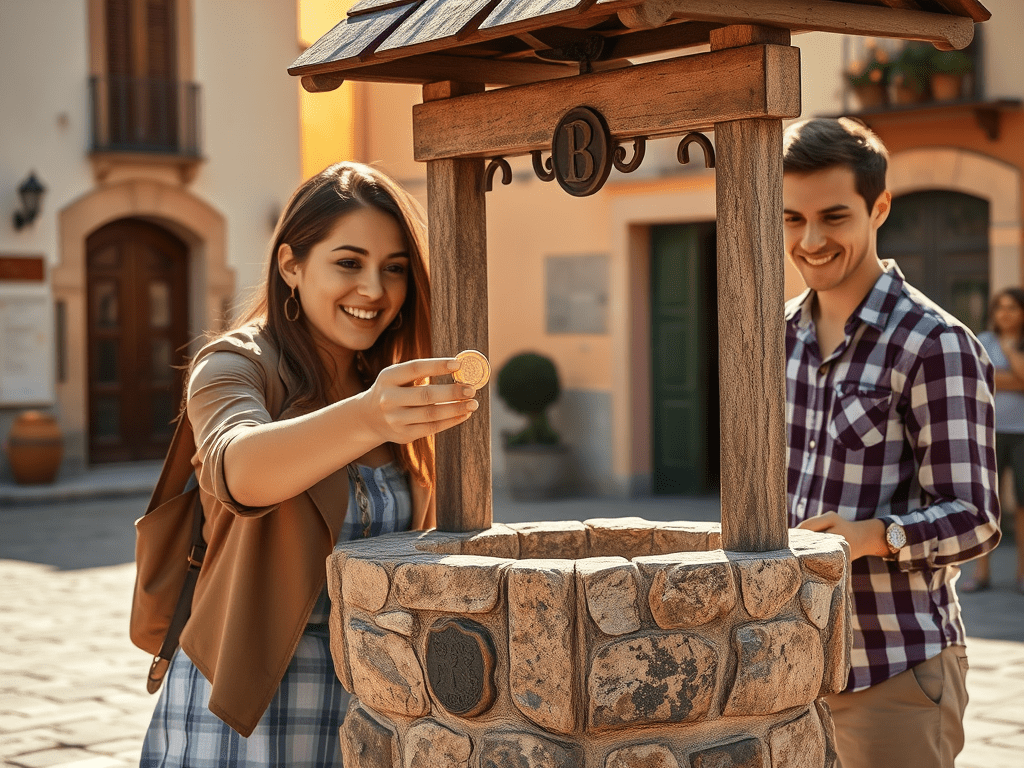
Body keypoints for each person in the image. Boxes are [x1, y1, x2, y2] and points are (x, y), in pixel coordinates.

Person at [140, 162, 480, 767]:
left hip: (379, 698)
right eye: (348, 263)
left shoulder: (401, 387)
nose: (374, 290)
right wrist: (368, 418)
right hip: (251, 697)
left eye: (394, 268)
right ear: (291, 265)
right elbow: (236, 469)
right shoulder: (234, 366)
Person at [782, 117, 1000, 768]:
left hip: (895, 670)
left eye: (834, 216)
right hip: (786, 670)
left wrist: (871, 536)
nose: (811, 240)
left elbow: (977, 519)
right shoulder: (774, 336)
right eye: (792, 218)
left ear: (880, 207)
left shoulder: (937, 345)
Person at [962, 287, 1024, 594]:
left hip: (1022, 435)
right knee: (988, 504)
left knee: (1023, 506)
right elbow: (979, 378)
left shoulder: (1017, 343)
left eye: (1012, 307)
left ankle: (1022, 575)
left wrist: (1011, 351)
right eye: (1000, 308)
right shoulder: (983, 341)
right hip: (989, 433)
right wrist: (1014, 376)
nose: (1005, 314)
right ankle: (982, 572)